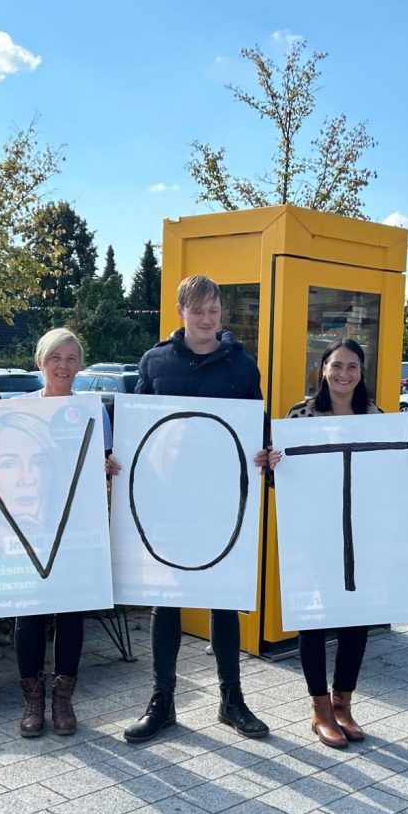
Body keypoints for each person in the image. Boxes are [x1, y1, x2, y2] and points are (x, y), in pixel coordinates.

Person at [122, 274, 274, 744]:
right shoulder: (155, 362)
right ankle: (161, 702)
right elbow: (138, 431)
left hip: (223, 501)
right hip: (167, 502)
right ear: (180, 312)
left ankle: (232, 701)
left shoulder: (242, 366)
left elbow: (259, 428)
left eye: (214, 310)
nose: (206, 319)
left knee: (223, 600)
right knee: (165, 602)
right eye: (198, 310)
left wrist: (267, 452)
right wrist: (118, 458)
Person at [274, 338, 408, 748]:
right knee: (313, 620)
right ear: (323, 370)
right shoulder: (301, 415)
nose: (343, 374)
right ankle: (319, 708)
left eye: (352, 367)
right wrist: (275, 465)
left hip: (362, 534)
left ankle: (343, 703)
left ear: (361, 373)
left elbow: (390, 483)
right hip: (315, 535)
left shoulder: (377, 417)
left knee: (356, 619)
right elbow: (283, 483)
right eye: (336, 366)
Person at [0, 327, 121, 739]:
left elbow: (103, 463)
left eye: (70, 359)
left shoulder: (92, 410)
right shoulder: (16, 410)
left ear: (80, 365)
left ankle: (63, 697)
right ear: (40, 362)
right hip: (25, 531)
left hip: (74, 527)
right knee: (28, 613)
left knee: (71, 613)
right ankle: (32, 699)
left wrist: (108, 468)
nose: (63, 366)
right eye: (55, 358)